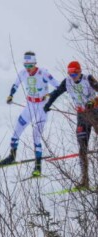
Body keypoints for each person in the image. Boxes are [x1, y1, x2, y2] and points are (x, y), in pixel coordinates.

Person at [0, 51, 59, 176]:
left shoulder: (43, 73)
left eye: (30, 66)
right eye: (25, 66)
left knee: (36, 136)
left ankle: (38, 167)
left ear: (35, 64)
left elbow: (58, 86)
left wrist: (49, 96)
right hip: (30, 105)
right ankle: (12, 156)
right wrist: (11, 95)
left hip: (42, 107)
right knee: (17, 130)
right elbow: (15, 85)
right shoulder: (22, 73)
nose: (28, 69)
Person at [43, 60, 98, 188]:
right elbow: (56, 93)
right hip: (81, 116)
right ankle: (85, 181)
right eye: (70, 74)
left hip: (94, 113)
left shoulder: (88, 79)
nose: (72, 77)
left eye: (74, 74)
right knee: (82, 148)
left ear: (79, 72)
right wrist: (47, 104)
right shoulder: (67, 82)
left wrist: (94, 102)